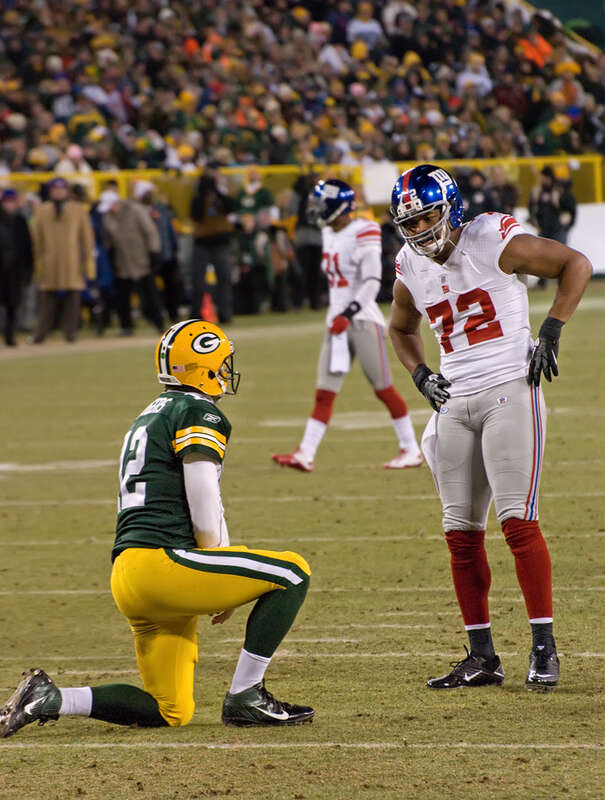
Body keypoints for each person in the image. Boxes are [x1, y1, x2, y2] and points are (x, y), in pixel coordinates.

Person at [0, 320, 314, 738]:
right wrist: (216, 562)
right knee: (292, 573)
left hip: (128, 574)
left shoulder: (149, 415)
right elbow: (203, 502)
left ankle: (52, 698)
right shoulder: (197, 411)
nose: (225, 371)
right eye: (221, 363)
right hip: (162, 565)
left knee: (171, 710)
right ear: (202, 366)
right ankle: (247, 694)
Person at [388, 164, 592, 691]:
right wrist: (419, 373)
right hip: (453, 399)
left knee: (518, 524)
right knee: (459, 534)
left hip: (509, 388)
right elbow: (400, 326)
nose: (420, 230)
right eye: (409, 222)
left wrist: (551, 328)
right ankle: (482, 656)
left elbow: (576, 263)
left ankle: (543, 648)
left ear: (451, 207)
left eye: (428, 215)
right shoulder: (410, 261)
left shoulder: (490, 238)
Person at [273, 179, 422, 472]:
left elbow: (371, 281)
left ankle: (411, 449)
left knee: (383, 388)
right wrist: (337, 318)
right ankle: (306, 453)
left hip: (362, 321)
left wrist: (349, 313)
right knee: (325, 391)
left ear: (338, 207)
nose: (315, 210)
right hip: (336, 322)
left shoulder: (364, 230)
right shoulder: (328, 231)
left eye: (320, 204)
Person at [30, 177, 95, 343]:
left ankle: (71, 333)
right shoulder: (42, 210)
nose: (58, 192)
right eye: (55, 189)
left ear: (67, 191)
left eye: (61, 189)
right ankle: (41, 334)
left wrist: (88, 259)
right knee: (47, 298)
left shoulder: (78, 210)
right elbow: (36, 238)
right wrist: (37, 260)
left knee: (73, 298)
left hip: (72, 260)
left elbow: (87, 237)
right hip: (49, 260)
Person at [99, 188, 165, 336]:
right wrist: (110, 255)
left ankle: (159, 324)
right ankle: (126, 326)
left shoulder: (135, 210)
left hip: (142, 258)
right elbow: (109, 239)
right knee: (123, 296)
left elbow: (150, 232)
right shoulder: (107, 217)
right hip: (122, 261)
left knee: (150, 294)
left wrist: (154, 252)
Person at [189, 165, 237, 324]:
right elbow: (196, 215)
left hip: (220, 241)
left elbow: (230, 207)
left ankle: (225, 314)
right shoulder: (198, 199)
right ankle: (197, 313)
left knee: (224, 278)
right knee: (198, 280)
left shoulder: (221, 196)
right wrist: (203, 194)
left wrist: (217, 192)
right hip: (202, 242)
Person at [0, 188, 33, 346]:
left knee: (13, 305)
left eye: (12, 202)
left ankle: (10, 336)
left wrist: (28, 270)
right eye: (7, 202)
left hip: (15, 269)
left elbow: (27, 247)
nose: (9, 205)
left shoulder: (20, 220)